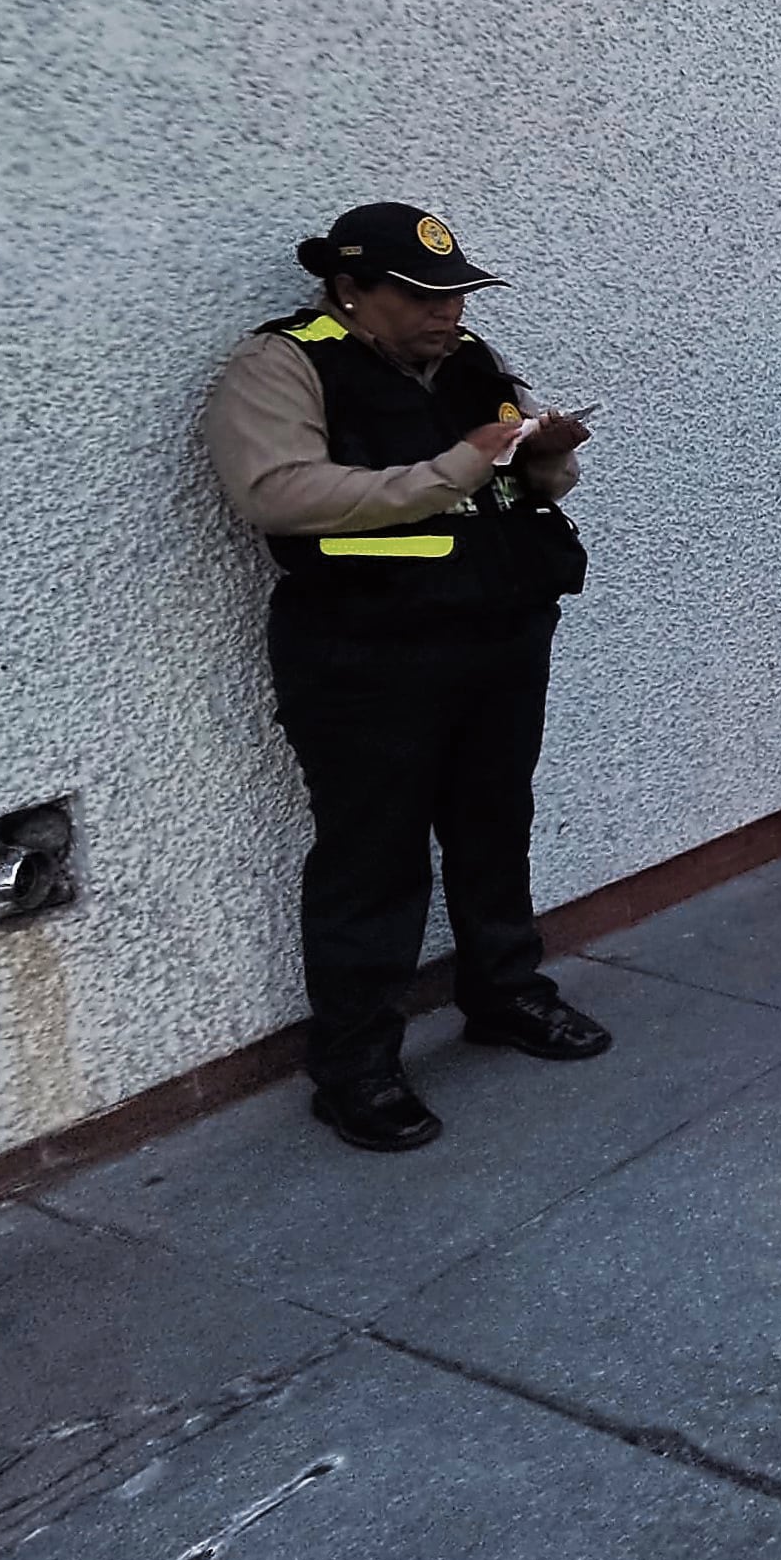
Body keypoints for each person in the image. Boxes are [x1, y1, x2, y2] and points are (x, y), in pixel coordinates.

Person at [203, 203, 603, 1155]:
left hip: (499, 634)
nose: (448, 310)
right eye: (422, 294)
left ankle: (505, 994)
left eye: (458, 289)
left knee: (493, 824)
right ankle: (355, 1067)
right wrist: (450, 467)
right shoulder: (283, 363)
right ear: (349, 291)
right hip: (367, 652)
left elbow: (507, 483)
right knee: (371, 859)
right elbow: (276, 491)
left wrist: (546, 464)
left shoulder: (471, 359)